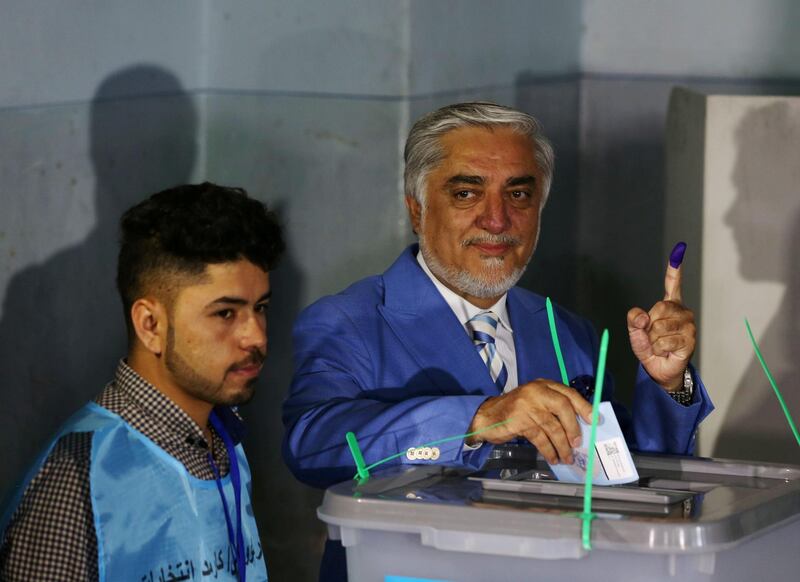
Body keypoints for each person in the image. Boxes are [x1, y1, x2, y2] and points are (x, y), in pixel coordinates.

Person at [282, 102, 714, 581]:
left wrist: (668, 384)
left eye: (519, 194)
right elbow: (312, 445)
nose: (496, 220)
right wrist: (477, 419)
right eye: (467, 193)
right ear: (417, 210)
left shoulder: (565, 329)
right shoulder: (350, 321)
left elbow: (625, 475)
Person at [0, 182, 284, 581]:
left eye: (261, 308)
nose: (255, 336)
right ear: (150, 324)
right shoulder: (78, 484)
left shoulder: (223, 441)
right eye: (225, 314)